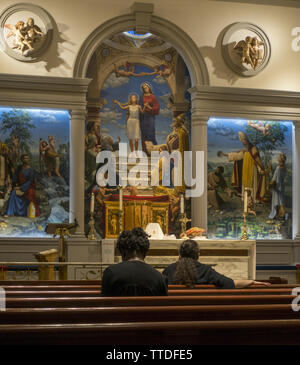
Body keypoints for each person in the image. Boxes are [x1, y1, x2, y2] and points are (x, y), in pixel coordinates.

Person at [162, 240, 271, 288]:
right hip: (199, 315)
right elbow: (231, 283)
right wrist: (251, 282)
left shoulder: (168, 270)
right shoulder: (206, 270)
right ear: (198, 255)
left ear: (179, 255)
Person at [101, 228, 168, 296]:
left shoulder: (111, 273)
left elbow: (104, 303)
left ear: (123, 252)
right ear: (145, 253)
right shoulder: (159, 278)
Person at [218, 131, 266, 204]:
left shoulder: (254, 149)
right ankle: (246, 197)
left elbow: (257, 161)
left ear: (247, 140)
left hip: (253, 170)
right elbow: (236, 156)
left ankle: (253, 199)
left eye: (244, 140)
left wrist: (260, 169)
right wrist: (225, 155)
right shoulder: (244, 151)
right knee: (245, 184)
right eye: (242, 141)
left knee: (252, 184)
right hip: (245, 170)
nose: (243, 143)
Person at [139, 82, 160, 154]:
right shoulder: (141, 97)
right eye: (144, 88)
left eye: (146, 87)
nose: (146, 89)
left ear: (149, 88)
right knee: (144, 133)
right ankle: (146, 151)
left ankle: (154, 151)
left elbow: (157, 107)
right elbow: (140, 108)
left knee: (151, 132)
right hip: (143, 117)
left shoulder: (152, 97)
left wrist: (149, 107)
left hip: (150, 116)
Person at [268, 153, 287, 221]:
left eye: (278, 159)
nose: (277, 159)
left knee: (277, 201)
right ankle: (280, 215)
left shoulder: (278, 168)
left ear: (280, 160)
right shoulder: (284, 167)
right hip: (282, 186)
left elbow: (276, 179)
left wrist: (272, 185)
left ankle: (278, 215)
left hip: (277, 187)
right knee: (281, 201)